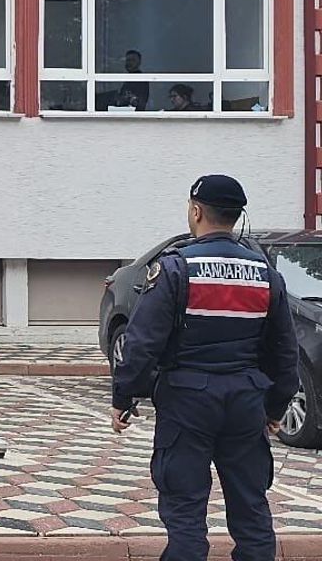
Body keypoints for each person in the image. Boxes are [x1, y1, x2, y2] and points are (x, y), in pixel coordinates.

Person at [112, 174, 299, 561]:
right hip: (246, 402)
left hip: (187, 403)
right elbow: (284, 352)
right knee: (252, 513)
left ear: (196, 211)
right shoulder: (266, 274)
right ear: (237, 217)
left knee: (185, 514)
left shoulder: (175, 268)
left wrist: (124, 397)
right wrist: (275, 408)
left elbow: (142, 342)